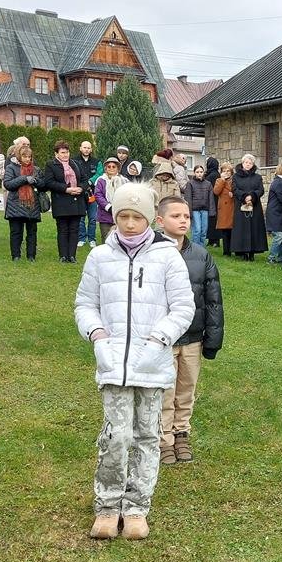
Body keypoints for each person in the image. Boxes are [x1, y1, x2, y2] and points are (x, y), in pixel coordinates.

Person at [74, 182, 195, 540]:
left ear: (149, 219)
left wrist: (159, 338)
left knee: (146, 435)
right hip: (114, 363)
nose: (129, 224)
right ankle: (108, 505)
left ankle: (137, 506)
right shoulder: (99, 257)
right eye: (122, 216)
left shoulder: (167, 257)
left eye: (136, 217)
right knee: (115, 435)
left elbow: (183, 307)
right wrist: (97, 334)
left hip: (152, 363)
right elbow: (85, 304)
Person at [155, 197, 223, 465]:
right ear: (160, 221)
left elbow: (213, 299)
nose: (183, 220)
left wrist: (213, 337)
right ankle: (163, 438)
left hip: (193, 337)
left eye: (186, 216)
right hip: (164, 338)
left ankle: (181, 431)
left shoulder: (201, 255)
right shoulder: (152, 254)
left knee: (186, 388)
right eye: (176, 216)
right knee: (165, 390)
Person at [44, 140, 88, 263]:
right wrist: (66, 189)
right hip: (61, 202)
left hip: (76, 201)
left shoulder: (75, 164)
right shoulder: (51, 165)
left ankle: (72, 255)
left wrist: (81, 188)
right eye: (62, 152)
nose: (65, 155)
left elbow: (84, 179)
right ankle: (63, 255)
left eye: (67, 152)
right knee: (63, 229)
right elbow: (49, 182)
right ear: (56, 154)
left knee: (74, 229)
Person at [2, 144, 43, 262]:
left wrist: (36, 181)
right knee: (16, 232)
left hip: (32, 204)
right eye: (25, 156)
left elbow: (44, 185)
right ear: (19, 156)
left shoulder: (36, 169)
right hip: (16, 204)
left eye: (29, 157)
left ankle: (31, 256)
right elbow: (8, 184)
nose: (27, 159)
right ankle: (16, 255)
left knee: (32, 232)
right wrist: (24, 178)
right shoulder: (11, 167)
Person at [230, 154, 266, 260]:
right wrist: (244, 196)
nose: (248, 164)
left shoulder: (257, 177)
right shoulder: (236, 177)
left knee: (254, 229)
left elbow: (261, 190)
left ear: (253, 164)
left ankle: (252, 253)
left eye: (250, 163)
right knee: (242, 229)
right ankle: (243, 252)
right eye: (246, 162)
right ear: (242, 163)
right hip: (241, 205)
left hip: (254, 206)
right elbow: (234, 189)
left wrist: (252, 196)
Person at [265, 163, 282, 264]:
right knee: (279, 236)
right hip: (275, 213)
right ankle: (271, 257)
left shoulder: (279, 181)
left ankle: (281, 258)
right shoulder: (279, 183)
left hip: (278, 212)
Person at [76, 140, 100, 248]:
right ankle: (81, 238)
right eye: (84, 147)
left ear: (91, 149)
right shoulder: (74, 161)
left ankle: (92, 239)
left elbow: (99, 173)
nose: (86, 150)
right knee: (80, 218)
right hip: (79, 193)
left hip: (92, 193)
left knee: (93, 218)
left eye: (88, 148)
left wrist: (90, 182)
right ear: (80, 148)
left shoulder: (97, 162)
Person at [183, 163, 212, 248]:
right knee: (197, 230)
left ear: (204, 173)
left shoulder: (208, 184)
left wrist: (212, 211)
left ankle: (202, 249)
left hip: (205, 210)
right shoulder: (190, 183)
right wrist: (189, 212)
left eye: (201, 172)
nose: (199, 174)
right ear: (194, 173)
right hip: (194, 210)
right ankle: (195, 248)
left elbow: (211, 198)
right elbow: (188, 198)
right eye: (197, 172)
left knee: (204, 231)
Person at [212, 162, 235, 256]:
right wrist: (222, 180)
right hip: (224, 209)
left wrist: (234, 194)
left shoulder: (234, 180)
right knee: (225, 231)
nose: (226, 173)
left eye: (228, 171)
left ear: (231, 172)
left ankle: (234, 249)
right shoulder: (219, 180)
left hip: (233, 207)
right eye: (224, 171)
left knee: (233, 231)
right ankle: (226, 251)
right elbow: (216, 191)